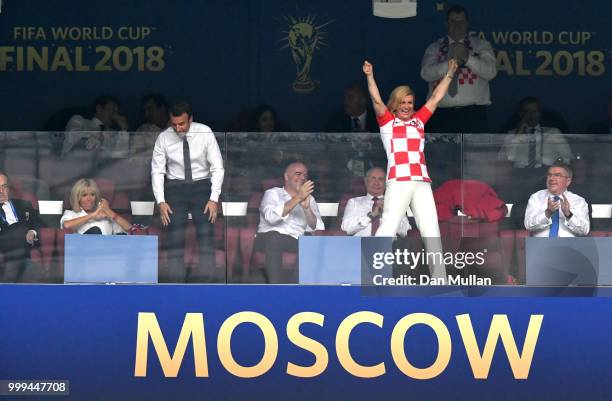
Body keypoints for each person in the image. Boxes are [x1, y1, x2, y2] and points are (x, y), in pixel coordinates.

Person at [363, 57, 458, 280]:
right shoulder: (387, 122)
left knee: (431, 231)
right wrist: (369, 76)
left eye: (410, 103)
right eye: (403, 103)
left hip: (422, 182)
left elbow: (436, 97)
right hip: (398, 180)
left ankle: (440, 281)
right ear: (395, 104)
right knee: (388, 227)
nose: (407, 107)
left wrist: (450, 72)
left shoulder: (418, 121)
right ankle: (371, 275)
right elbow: (376, 101)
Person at [151, 101, 224, 282]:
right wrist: (161, 201)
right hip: (175, 187)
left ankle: (206, 284)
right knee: (175, 236)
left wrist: (214, 198)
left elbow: (218, 167)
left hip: (202, 186)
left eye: (182, 123)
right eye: (174, 124)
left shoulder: (205, 132)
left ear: (190, 119)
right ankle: (176, 285)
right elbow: (157, 171)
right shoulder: (164, 137)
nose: (178, 128)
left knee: (205, 235)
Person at [420, 4, 497, 134]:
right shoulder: (435, 47)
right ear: (446, 24)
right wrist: (450, 64)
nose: (457, 25)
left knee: (473, 154)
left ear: (467, 23)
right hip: (442, 114)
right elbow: (426, 74)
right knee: (442, 153)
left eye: (461, 21)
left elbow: (491, 72)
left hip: (473, 114)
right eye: (453, 21)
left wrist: (467, 58)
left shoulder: (480, 45)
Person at [255, 162, 324, 283]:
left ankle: (295, 289)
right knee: (275, 238)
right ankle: (276, 288)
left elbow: (315, 226)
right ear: (286, 177)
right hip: (269, 237)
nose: (302, 178)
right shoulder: (273, 193)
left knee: (309, 242)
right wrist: (297, 198)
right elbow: (271, 218)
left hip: (294, 239)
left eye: (305, 175)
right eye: (298, 174)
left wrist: (307, 208)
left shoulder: (310, 198)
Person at [524, 161, 589, 237]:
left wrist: (568, 214)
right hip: (541, 246)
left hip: (568, 247)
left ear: (568, 181)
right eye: (549, 175)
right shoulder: (536, 197)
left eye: (557, 175)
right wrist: (547, 213)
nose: (551, 178)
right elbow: (528, 226)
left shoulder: (579, 201)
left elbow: (584, 230)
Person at [341, 166, 411, 237]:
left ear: (386, 183)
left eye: (381, 179)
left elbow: (404, 232)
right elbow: (346, 229)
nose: (376, 183)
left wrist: (389, 213)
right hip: (360, 245)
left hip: (387, 245)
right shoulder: (354, 202)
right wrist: (371, 216)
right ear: (366, 181)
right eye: (373, 178)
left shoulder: (395, 204)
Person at [0, 172, 40, 282]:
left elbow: (37, 223)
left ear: (9, 189)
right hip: (5, 256)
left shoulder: (24, 205)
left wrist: (32, 232)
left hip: (25, 254)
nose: (1, 191)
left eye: (4, 187)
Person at [62, 95, 130, 158]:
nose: (115, 115)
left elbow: (120, 157)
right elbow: (76, 139)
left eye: (116, 112)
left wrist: (124, 131)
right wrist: (97, 136)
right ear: (99, 108)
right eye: (112, 110)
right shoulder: (79, 121)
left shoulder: (113, 134)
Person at [60, 178, 131, 235]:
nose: (89, 199)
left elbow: (131, 230)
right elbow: (66, 226)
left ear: (96, 197)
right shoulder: (71, 214)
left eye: (92, 194)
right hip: (86, 250)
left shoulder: (106, 215)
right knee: (95, 231)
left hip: (109, 250)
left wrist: (109, 212)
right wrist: (93, 215)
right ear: (78, 198)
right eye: (84, 195)